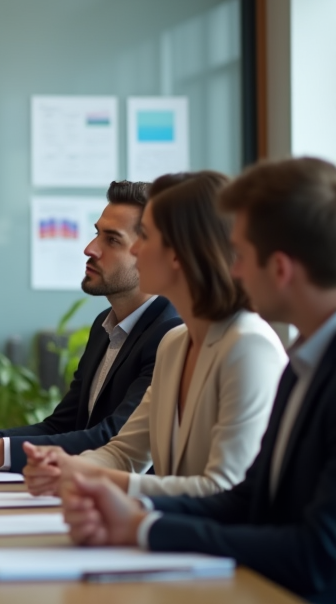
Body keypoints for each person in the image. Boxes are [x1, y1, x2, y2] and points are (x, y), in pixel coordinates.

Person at [60, 157, 336, 602]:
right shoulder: (306, 361)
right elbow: (246, 500)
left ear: (281, 269)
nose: (235, 269)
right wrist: (127, 512)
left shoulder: (261, 349)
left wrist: (141, 525)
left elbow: (316, 556)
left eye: (241, 255)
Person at [25, 171, 286, 499]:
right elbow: (123, 454)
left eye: (145, 236)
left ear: (178, 253)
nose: (136, 252)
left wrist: (95, 480)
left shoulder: (249, 347)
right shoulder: (174, 343)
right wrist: (65, 467)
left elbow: (224, 489)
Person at [0, 181, 181, 472]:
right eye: (96, 233)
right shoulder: (104, 326)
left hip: (137, 503)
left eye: (112, 240)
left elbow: (115, 439)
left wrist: (1, 452)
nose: (90, 249)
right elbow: (62, 424)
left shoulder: (171, 333)